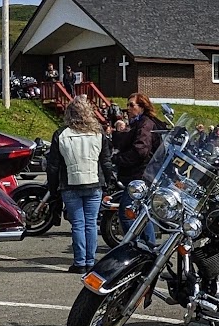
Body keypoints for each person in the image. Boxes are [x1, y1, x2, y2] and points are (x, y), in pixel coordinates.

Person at [47, 98, 108, 273]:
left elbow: (53, 166)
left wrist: (53, 188)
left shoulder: (61, 134)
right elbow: (106, 161)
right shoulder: (98, 133)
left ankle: (79, 263)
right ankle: (90, 261)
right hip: (94, 182)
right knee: (91, 224)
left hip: (70, 183)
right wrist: (108, 183)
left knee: (78, 224)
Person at [112, 93, 160, 185]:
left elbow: (140, 151)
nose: (128, 108)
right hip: (131, 174)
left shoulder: (145, 124)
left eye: (131, 105)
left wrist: (118, 159)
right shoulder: (136, 123)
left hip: (139, 177)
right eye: (127, 105)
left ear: (142, 107)